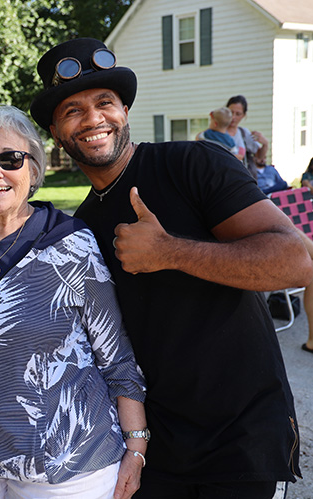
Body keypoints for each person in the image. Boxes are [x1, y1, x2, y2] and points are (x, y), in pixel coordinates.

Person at [30, 37, 312, 498]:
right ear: (57, 133)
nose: (93, 119)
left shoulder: (191, 164)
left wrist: (170, 252)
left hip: (240, 438)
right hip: (155, 448)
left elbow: (296, 261)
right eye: (72, 110)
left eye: (105, 102)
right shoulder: (79, 227)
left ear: (125, 110)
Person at [0, 105, 147, 499]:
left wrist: (136, 445)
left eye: (11, 159)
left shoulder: (72, 244)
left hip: (67, 472)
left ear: (34, 169)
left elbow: (116, 356)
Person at [226, 94, 268, 178]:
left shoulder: (243, 133)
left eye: (238, 114)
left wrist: (265, 143)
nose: (233, 117)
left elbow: (259, 156)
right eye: (231, 112)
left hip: (241, 180)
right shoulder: (216, 132)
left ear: (244, 115)